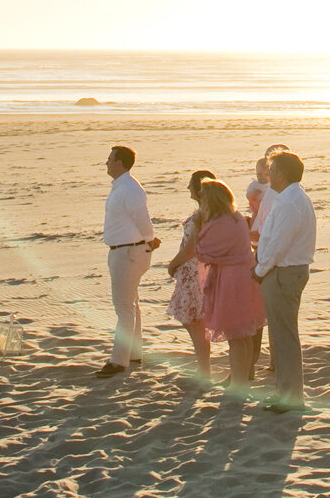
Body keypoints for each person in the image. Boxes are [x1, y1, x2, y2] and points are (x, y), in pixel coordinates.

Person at [253, 151, 316, 413]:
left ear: (281, 174)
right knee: (281, 336)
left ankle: (290, 397)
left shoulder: (291, 202)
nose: (268, 175)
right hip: (282, 271)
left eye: (272, 170)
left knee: (284, 336)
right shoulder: (289, 198)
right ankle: (285, 393)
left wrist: (259, 270)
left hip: (283, 273)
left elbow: (279, 246)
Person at [195, 180, 266, 388]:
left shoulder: (221, 223)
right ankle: (241, 379)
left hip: (231, 280)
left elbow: (202, 251)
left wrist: (198, 227)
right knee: (243, 336)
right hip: (244, 277)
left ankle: (238, 382)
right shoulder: (236, 218)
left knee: (236, 335)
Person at [96, 146, 159, 378]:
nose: (106, 163)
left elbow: (143, 220)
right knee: (131, 303)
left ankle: (119, 361)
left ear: (121, 163)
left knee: (123, 307)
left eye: (110, 159)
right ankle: (133, 353)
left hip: (128, 252)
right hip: (123, 250)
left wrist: (149, 240)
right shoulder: (122, 186)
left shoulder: (130, 188)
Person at [161, 170, 216, 379]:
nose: (187, 188)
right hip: (194, 271)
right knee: (193, 321)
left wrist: (172, 264)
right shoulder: (208, 211)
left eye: (190, 185)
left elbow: (191, 247)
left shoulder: (201, 214)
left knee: (194, 322)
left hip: (193, 271)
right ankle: (203, 368)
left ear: (199, 189)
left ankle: (204, 371)